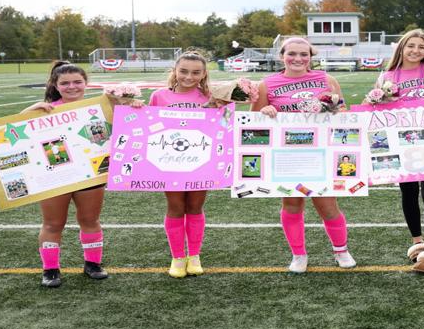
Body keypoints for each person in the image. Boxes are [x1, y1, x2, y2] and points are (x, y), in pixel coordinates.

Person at [250, 37, 355, 273]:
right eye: (292, 54)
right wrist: (266, 111)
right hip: (287, 156)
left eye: (304, 54)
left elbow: (343, 112)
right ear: (282, 56)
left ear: (310, 57)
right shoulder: (267, 83)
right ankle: (299, 255)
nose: (298, 59)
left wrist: (334, 111)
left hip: (320, 153)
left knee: (327, 205)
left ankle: (341, 250)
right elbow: (253, 120)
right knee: (292, 203)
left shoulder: (327, 80)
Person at [140, 50, 242, 279]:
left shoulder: (210, 95)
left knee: (195, 207)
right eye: (184, 71)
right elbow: (149, 126)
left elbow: (225, 125)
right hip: (169, 162)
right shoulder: (159, 95)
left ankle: (194, 255)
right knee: (176, 208)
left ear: (204, 73)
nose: (188, 76)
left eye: (196, 72)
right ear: (175, 71)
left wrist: (221, 107)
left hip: (201, 162)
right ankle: (177, 257)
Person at [369, 28, 424, 272]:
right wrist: (372, 102)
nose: (416, 51)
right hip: (402, 141)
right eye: (411, 46)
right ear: (402, 48)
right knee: (408, 192)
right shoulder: (388, 75)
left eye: (421, 47)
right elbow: (377, 110)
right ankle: (417, 242)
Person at [25, 61, 107, 288]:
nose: (72, 87)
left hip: (89, 174)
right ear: (55, 85)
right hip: (54, 175)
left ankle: (93, 264)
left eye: (77, 82)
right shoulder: (46, 110)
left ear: (86, 83)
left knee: (90, 220)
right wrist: (28, 111)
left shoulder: (97, 108)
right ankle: (50, 269)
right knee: (53, 223)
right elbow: (11, 130)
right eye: (65, 83)